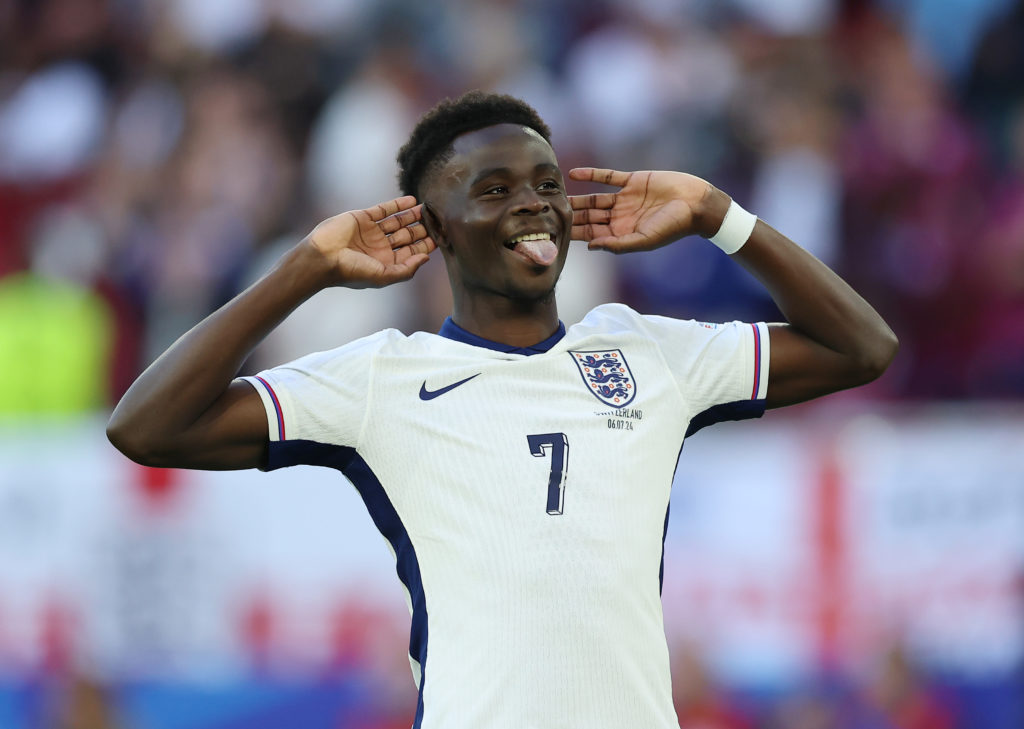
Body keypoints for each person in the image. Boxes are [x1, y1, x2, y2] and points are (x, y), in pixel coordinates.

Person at [107, 91, 897, 729]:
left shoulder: (647, 353)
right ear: (434, 225)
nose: (534, 205)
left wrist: (717, 215)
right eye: (494, 190)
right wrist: (304, 270)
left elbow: (862, 346)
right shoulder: (381, 378)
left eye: (546, 184)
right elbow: (145, 425)